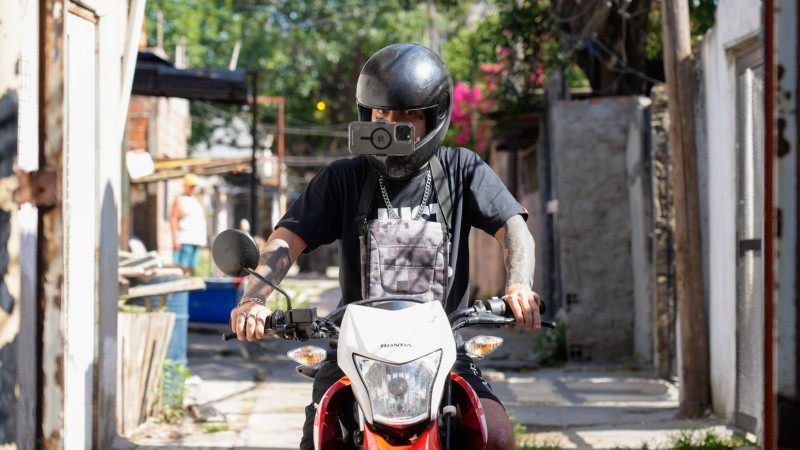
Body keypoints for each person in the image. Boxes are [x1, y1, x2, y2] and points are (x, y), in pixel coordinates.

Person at [229, 43, 541, 450]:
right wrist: (254, 299)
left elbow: (512, 227)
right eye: (381, 115)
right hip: (354, 353)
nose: (392, 126)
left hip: (442, 350)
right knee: (321, 436)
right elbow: (287, 239)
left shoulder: (462, 170)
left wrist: (518, 284)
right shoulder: (342, 178)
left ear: (434, 116)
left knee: (496, 435)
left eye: (407, 115)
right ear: (366, 115)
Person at [170, 172, 207, 274]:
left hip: (195, 239)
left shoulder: (195, 200)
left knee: (190, 267)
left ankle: (185, 288)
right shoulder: (180, 199)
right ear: (185, 186)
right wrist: (175, 239)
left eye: (194, 186)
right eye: (190, 186)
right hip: (185, 239)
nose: (192, 188)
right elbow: (173, 219)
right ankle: (179, 289)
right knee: (181, 267)